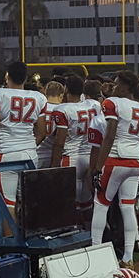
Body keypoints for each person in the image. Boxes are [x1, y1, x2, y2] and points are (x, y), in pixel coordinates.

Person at [91, 70, 139, 270]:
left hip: (116, 158)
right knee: (128, 207)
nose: (113, 86)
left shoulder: (113, 103)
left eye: (117, 83)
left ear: (126, 86)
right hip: (135, 160)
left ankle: (97, 252)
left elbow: (109, 135)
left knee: (101, 204)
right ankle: (128, 256)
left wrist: (98, 166)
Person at [0, 61, 47, 227]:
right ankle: (32, 243)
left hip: (6, 153)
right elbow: (42, 132)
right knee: (29, 202)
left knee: (7, 203)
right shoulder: (39, 97)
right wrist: (28, 145)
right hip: (29, 154)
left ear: (7, 76)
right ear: (26, 78)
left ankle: (11, 248)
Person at [51, 76, 101, 227]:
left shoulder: (62, 110)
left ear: (66, 90)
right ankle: (89, 232)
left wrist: (53, 166)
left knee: (70, 202)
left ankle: (74, 233)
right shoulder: (94, 105)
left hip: (71, 158)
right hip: (89, 156)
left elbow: (59, 142)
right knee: (86, 201)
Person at [36, 81, 65, 168]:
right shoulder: (64, 109)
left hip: (38, 152)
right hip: (55, 154)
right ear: (61, 95)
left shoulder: (39, 107)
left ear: (45, 93)